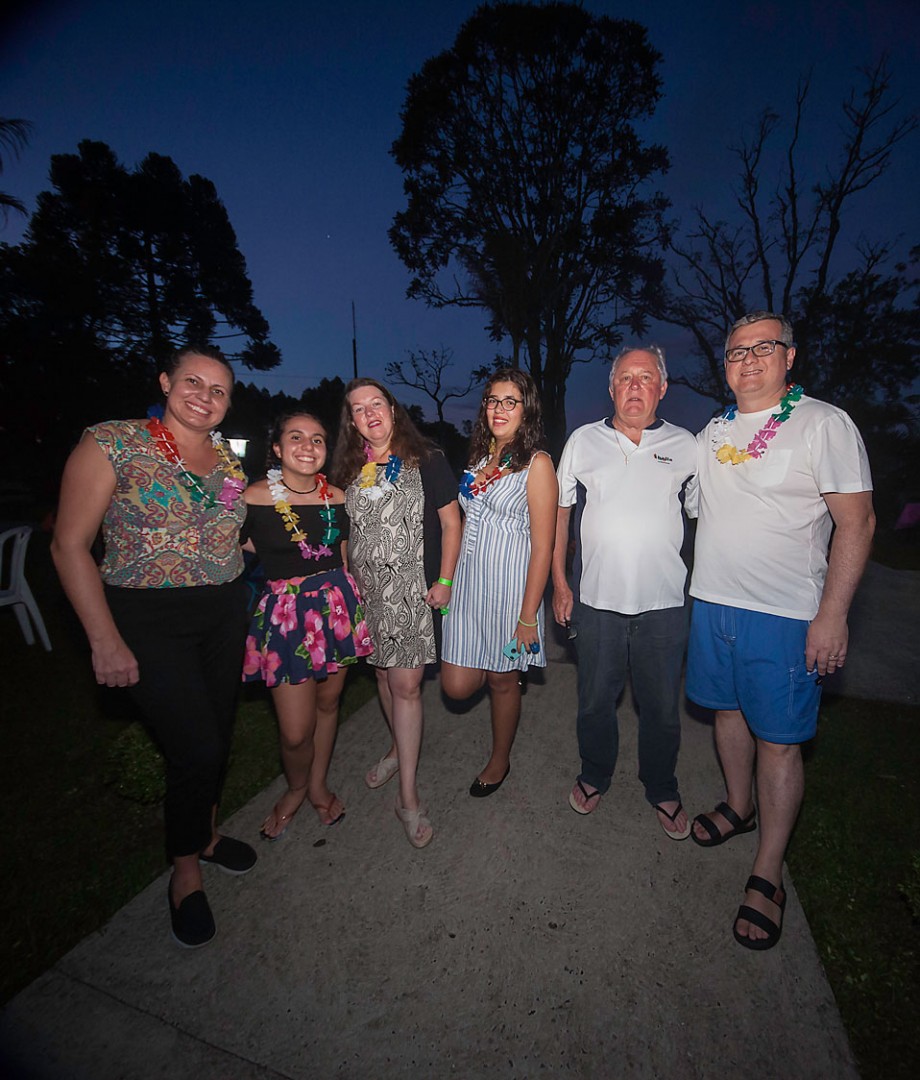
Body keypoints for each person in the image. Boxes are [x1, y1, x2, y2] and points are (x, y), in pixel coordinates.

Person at [52, 345, 255, 949]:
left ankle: (207, 836)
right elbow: (68, 546)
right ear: (166, 382)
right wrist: (103, 640)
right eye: (193, 381)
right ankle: (184, 870)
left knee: (217, 734)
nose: (204, 397)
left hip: (222, 613)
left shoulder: (227, 458)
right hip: (146, 617)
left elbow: (227, 529)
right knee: (195, 746)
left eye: (218, 390)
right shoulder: (112, 442)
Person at [686, 311, 874, 950]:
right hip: (713, 602)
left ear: (789, 357)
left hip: (786, 614)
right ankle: (738, 806)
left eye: (763, 347)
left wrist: (833, 613)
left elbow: (858, 523)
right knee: (726, 712)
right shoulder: (713, 433)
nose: (748, 359)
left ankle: (768, 871)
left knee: (780, 740)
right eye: (736, 351)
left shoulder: (822, 424)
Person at [552, 345, 697, 838]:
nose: (635, 386)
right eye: (626, 378)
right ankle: (595, 773)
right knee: (595, 700)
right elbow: (560, 514)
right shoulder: (583, 441)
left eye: (646, 377)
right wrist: (560, 583)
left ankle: (662, 785)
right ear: (612, 387)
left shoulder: (686, 445)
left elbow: (703, 513)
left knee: (661, 707)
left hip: (665, 604)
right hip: (596, 602)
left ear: (662, 388)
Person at [332, 378, 461, 848]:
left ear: (392, 408)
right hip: (367, 595)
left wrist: (445, 580)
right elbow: (345, 533)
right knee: (384, 678)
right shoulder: (349, 469)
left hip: (411, 594)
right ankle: (394, 747)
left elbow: (451, 522)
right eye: (358, 408)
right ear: (351, 421)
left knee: (406, 686)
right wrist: (347, 582)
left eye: (376, 403)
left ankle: (408, 798)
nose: (369, 413)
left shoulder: (427, 458)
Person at [241, 412, 373, 838]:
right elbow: (234, 551)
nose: (308, 446)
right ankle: (296, 787)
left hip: (336, 609)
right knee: (296, 732)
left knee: (329, 705)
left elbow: (345, 555)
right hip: (287, 619)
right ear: (277, 448)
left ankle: (317, 785)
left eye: (317, 439)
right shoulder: (252, 498)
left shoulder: (338, 497)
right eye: (296, 437)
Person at [441, 369, 557, 795]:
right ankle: (503, 675)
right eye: (493, 400)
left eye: (511, 401)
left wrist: (528, 617)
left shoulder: (537, 464)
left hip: (510, 590)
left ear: (526, 410)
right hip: (469, 586)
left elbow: (543, 547)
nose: (499, 408)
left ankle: (500, 759)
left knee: (501, 680)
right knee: (456, 686)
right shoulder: (479, 459)